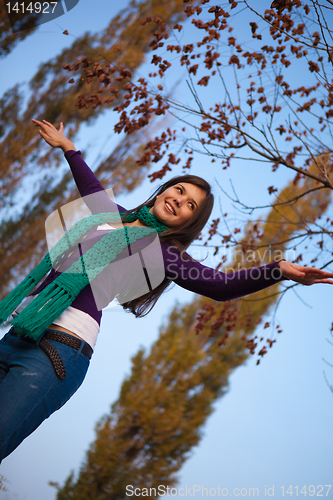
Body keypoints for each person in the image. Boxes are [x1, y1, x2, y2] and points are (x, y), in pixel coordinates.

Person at [0, 119, 332, 463]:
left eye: (190, 206)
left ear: (187, 224)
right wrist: (68, 147)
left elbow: (219, 286)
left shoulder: (162, 252)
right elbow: (91, 187)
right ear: (163, 190)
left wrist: (276, 270)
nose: (180, 201)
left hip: (58, 350)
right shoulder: (113, 218)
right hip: (21, 332)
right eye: (180, 191)